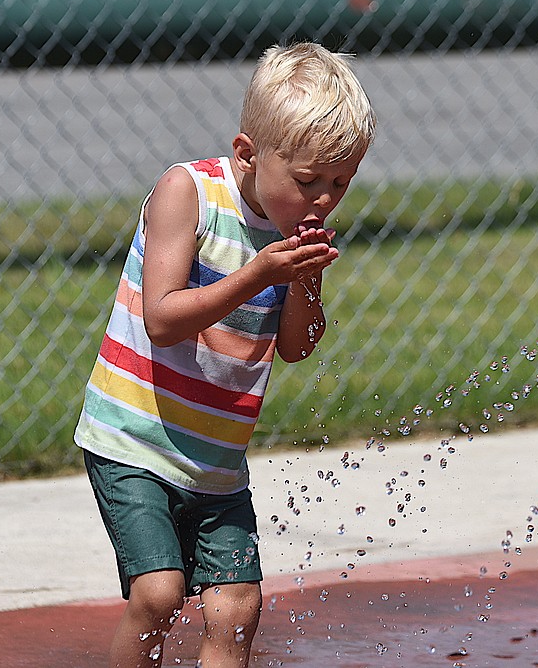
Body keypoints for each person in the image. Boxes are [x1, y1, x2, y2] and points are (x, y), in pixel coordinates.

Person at [74, 42, 376, 668]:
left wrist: (303, 282)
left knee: (237, 610)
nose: (322, 200)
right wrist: (260, 272)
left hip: (216, 459)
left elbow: (295, 345)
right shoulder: (187, 193)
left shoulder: (294, 234)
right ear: (247, 153)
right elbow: (161, 318)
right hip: (135, 438)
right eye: (306, 181)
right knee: (160, 593)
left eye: (339, 184)